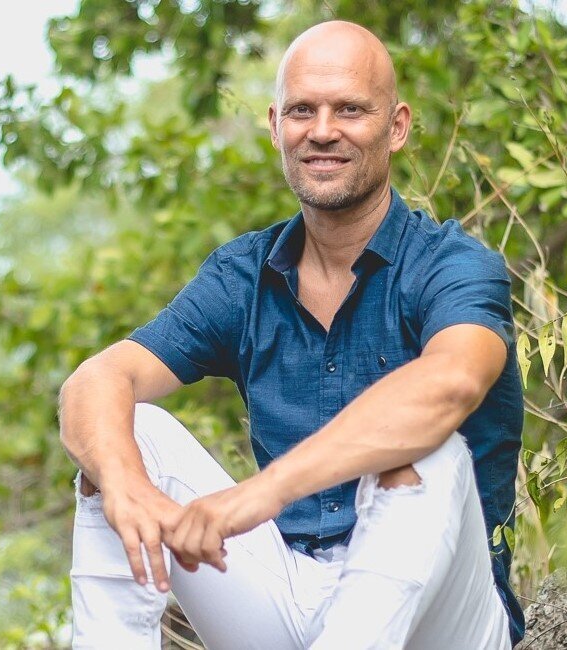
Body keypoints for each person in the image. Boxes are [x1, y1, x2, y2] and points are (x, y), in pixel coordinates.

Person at [58, 19, 524, 650]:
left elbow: (452, 384)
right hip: (286, 596)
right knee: (125, 436)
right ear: (276, 125)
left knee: (428, 449)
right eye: (303, 110)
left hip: (443, 617)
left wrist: (261, 495)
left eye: (351, 110)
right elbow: (98, 379)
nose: (323, 130)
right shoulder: (243, 275)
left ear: (398, 127)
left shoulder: (453, 265)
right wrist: (130, 488)